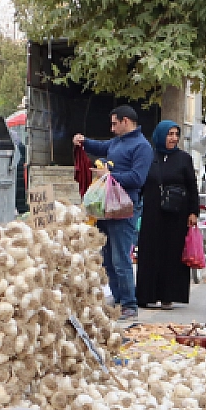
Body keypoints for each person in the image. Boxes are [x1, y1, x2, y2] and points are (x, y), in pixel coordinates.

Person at [74, 106, 153, 319]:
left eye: (114, 123)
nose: (112, 128)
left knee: (120, 260)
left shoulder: (142, 146)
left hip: (124, 208)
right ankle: (117, 301)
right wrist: (83, 141)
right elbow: (101, 147)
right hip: (106, 207)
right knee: (107, 259)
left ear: (126, 121)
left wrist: (110, 175)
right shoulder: (117, 142)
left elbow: (137, 178)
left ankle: (129, 304)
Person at [135, 120, 198, 309]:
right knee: (150, 252)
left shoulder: (184, 159)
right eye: (170, 134)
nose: (174, 138)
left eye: (176, 134)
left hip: (176, 215)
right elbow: (140, 183)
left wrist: (193, 212)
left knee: (172, 254)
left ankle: (168, 296)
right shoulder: (149, 157)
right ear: (160, 135)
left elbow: (192, 187)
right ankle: (146, 295)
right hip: (152, 213)